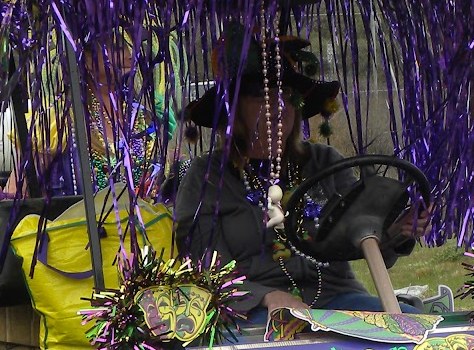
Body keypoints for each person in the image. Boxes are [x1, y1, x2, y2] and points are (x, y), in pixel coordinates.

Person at [174, 32, 413, 319]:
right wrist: (268, 296)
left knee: (411, 328)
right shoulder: (207, 176)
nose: (278, 107)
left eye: (287, 96)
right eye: (262, 96)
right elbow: (206, 271)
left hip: (338, 296)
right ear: (233, 111)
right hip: (254, 309)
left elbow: (365, 240)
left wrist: (398, 232)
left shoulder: (325, 161)